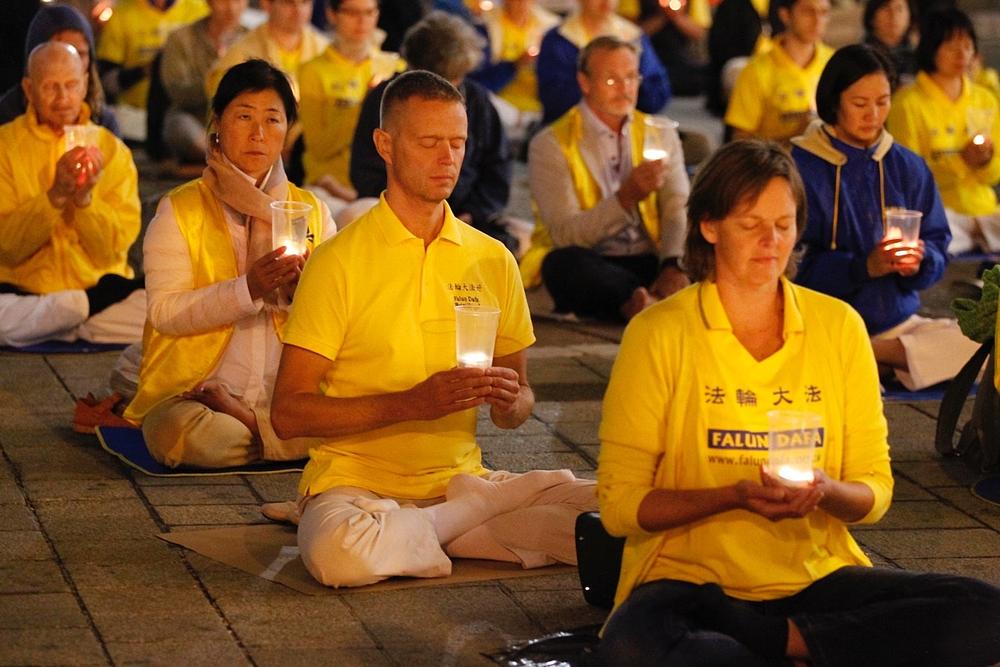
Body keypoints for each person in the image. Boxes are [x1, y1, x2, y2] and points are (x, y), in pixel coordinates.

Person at [595, 139, 1000, 665]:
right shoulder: (660, 333)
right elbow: (620, 508)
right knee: (637, 647)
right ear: (709, 227)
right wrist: (734, 495)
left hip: (813, 578)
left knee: (984, 610)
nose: (771, 242)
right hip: (691, 584)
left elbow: (874, 491)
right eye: (751, 225)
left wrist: (826, 491)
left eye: (784, 225)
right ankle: (816, 648)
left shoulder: (838, 327)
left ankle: (785, 642)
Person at [270, 70, 597, 588]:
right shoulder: (338, 261)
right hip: (355, 488)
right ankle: (466, 520)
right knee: (340, 556)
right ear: (385, 145)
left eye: (457, 143)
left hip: (458, 479)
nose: (447, 158)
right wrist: (412, 403)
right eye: (429, 143)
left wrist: (510, 401)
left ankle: (437, 529)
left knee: (615, 512)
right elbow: (288, 414)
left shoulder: (492, 258)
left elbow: (518, 402)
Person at [122, 60, 334, 469]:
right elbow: (164, 313)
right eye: (244, 117)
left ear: (287, 130)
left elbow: (338, 319)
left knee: (368, 407)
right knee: (181, 435)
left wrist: (304, 293)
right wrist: (247, 289)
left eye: (273, 119)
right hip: (202, 395)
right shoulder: (180, 208)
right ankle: (286, 439)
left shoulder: (311, 212)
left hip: (289, 396)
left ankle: (256, 428)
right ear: (218, 123)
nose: (259, 134)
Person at [792, 44, 979, 391]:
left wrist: (919, 263)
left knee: (988, 349)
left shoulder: (906, 166)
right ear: (833, 102)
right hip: (821, 322)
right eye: (860, 104)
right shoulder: (800, 168)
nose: (873, 115)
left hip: (897, 325)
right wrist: (863, 267)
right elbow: (790, 263)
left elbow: (938, 242)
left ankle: (877, 355)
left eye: (882, 102)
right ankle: (878, 359)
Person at [523, 36, 689, 321]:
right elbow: (565, 234)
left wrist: (673, 264)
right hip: (594, 259)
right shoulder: (551, 143)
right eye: (612, 80)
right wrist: (626, 198)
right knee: (563, 265)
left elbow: (677, 204)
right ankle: (640, 301)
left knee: (710, 247)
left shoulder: (659, 132)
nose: (625, 89)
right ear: (585, 82)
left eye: (631, 77)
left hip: (651, 254)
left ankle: (651, 298)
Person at [0, 43, 144, 348]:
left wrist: (84, 201)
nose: (63, 98)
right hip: (26, 294)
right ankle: (76, 319)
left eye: (71, 85)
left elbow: (111, 252)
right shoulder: (5, 146)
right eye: (50, 87)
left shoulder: (113, 150)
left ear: (85, 84)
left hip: (100, 292)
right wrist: (54, 196)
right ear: (28, 89)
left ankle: (61, 322)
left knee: (161, 314)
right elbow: (7, 248)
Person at [349, 12, 517, 252]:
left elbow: (497, 166)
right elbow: (366, 171)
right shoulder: (387, 101)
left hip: (467, 217)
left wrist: (472, 212)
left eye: (457, 143)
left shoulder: (477, 99)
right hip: (397, 217)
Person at [887, 8, 1000, 255]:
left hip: (984, 209)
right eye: (951, 47)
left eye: (967, 46)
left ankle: (977, 232)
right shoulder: (908, 104)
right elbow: (909, 179)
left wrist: (985, 161)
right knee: (924, 233)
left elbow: (994, 175)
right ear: (931, 48)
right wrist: (960, 162)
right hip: (937, 211)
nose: (962, 54)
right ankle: (976, 235)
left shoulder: (985, 99)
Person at [298, 0, 403, 219]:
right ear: (332, 14)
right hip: (329, 186)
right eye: (352, 13)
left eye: (369, 12)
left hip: (383, 186)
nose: (362, 21)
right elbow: (318, 147)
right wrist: (364, 106)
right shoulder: (313, 71)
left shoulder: (393, 67)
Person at [536, 0, 671, 126]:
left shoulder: (633, 37)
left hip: (627, 126)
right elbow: (554, 98)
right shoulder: (559, 39)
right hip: (572, 127)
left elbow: (657, 93)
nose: (606, 1)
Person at [0, 4, 119, 136]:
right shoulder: (7, 119)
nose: (70, 61)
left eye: (80, 54)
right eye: (60, 51)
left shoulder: (104, 125)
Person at [725, 0, 833, 143]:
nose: (817, 21)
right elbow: (740, 142)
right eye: (807, 11)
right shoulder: (756, 70)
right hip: (779, 156)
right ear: (785, 15)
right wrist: (798, 136)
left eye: (824, 12)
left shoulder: (834, 62)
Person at [96, 0, 208, 136]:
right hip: (136, 116)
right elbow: (106, 82)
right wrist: (144, 70)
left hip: (190, 114)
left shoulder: (201, 10)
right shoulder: (122, 14)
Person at [159, 0, 249, 164]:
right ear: (209, 2)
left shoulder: (251, 39)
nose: (231, 8)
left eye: (238, 1)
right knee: (179, 125)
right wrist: (215, 80)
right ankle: (224, 159)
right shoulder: (181, 38)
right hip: (196, 118)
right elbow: (177, 91)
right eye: (223, 2)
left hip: (241, 119)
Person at [467, 0, 560, 143]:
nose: (521, 3)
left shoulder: (550, 29)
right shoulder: (486, 26)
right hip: (499, 106)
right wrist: (514, 66)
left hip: (538, 107)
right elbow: (478, 81)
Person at [206, 0, 329, 102]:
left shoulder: (324, 49)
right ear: (266, 4)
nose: (298, 10)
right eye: (288, 2)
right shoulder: (241, 53)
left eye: (305, 2)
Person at [863, 0, 916, 87]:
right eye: (885, 8)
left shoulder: (920, 58)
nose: (893, 15)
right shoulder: (861, 58)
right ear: (871, 16)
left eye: (899, 9)